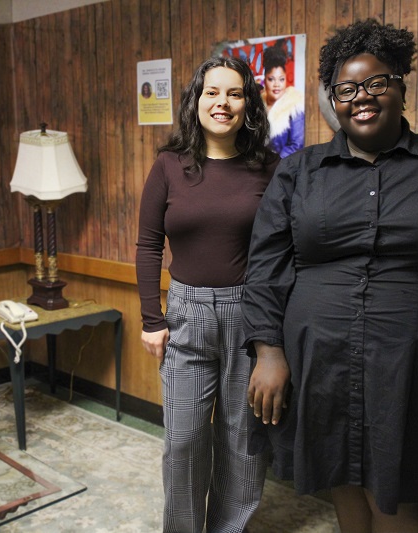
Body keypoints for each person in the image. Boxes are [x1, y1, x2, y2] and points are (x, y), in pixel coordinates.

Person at [241, 18, 418, 533]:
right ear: (333, 98)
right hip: (319, 357)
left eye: (376, 83)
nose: (362, 98)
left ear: (400, 84)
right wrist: (268, 350)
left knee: (405, 496)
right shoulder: (299, 171)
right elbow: (266, 264)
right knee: (343, 479)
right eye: (346, 89)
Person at [136, 56, 279, 532]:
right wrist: (152, 319)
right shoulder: (169, 166)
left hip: (248, 316)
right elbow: (148, 244)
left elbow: (284, 251)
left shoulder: (270, 168)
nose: (222, 102)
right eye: (212, 92)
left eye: (234, 93)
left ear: (248, 104)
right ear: (196, 101)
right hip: (185, 313)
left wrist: (274, 337)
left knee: (243, 439)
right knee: (182, 442)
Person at [261, 42, 305, 157]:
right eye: (271, 79)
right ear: (265, 80)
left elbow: (296, 145)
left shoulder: (295, 104)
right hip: (257, 167)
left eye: (281, 79)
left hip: (283, 168)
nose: (277, 85)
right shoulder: (258, 104)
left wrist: (273, 165)